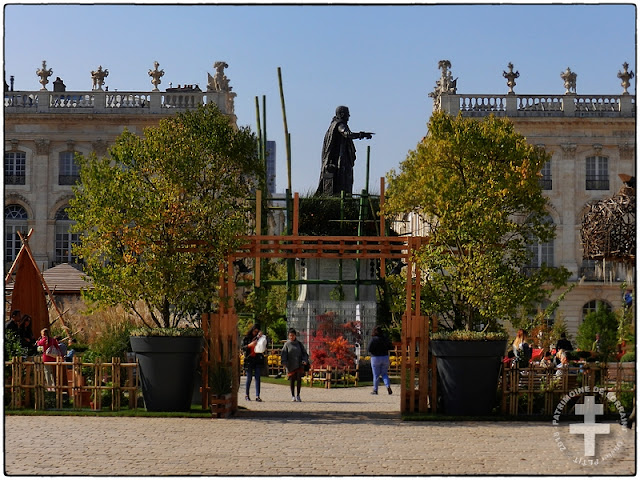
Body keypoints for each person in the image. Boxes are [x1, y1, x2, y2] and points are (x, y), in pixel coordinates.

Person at [315, 106, 373, 197]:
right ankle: (343, 199)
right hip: (340, 161)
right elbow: (347, 134)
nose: (349, 116)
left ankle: (343, 198)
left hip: (340, 159)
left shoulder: (333, 125)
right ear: (342, 114)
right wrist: (362, 135)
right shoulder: (339, 124)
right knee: (343, 181)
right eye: (347, 114)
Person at [281, 328, 309, 402]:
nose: (291, 337)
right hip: (290, 365)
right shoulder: (286, 344)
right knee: (292, 380)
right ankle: (293, 395)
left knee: (299, 379)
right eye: (290, 335)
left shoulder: (299, 344)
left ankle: (298, 395)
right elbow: (283, 354)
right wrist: (284, 362)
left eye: (293, 335)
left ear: (295, 336)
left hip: (299, 364)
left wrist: (304, 360)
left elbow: (304, 353)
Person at [242, 324, 265, 402]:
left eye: (257, 332)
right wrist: (249, 345)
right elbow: (243, 347)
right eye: (254, 331)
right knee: (249, 378)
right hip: (249, 359)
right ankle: (247, 394)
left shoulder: (260, 338)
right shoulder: (247, 338)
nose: (255, 333)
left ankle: (257, 395)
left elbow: (264, 344)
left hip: (257, 359)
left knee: (257, 377)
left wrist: (261, 337)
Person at [367, 326, 393, 395]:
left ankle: (375, 390)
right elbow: (390, 346)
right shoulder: (385, 339)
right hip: (385, 357)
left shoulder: (373, 339)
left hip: (375, 358)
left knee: (376, 375)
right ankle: (388, 386)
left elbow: (369, 349)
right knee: (384, 374)